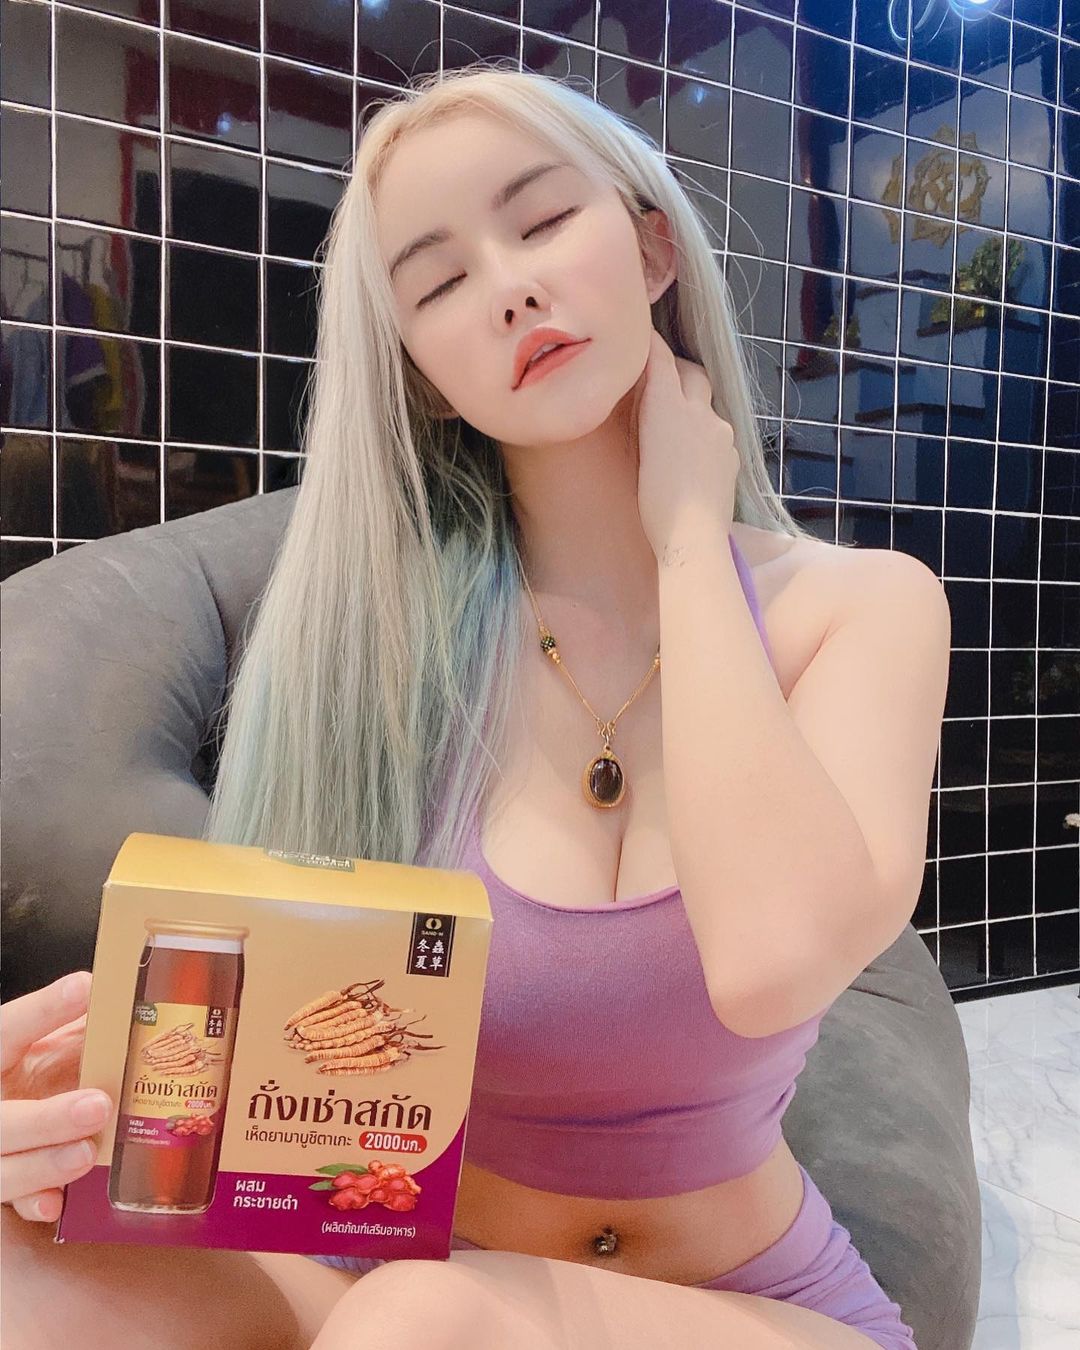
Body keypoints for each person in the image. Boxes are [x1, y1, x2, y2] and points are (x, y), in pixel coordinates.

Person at [2, 63, 951, 1350]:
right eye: (440, 283)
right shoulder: (381, 651)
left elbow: (773, 962)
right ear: (428, 375)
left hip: (749, 1308)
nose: (509, 286)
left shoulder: (865, 609)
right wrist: (77, 1110)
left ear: (653, 248)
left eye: (544, 219)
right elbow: (291, 1066)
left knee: (428, 1319)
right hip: (396, 1264)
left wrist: (688, 539)